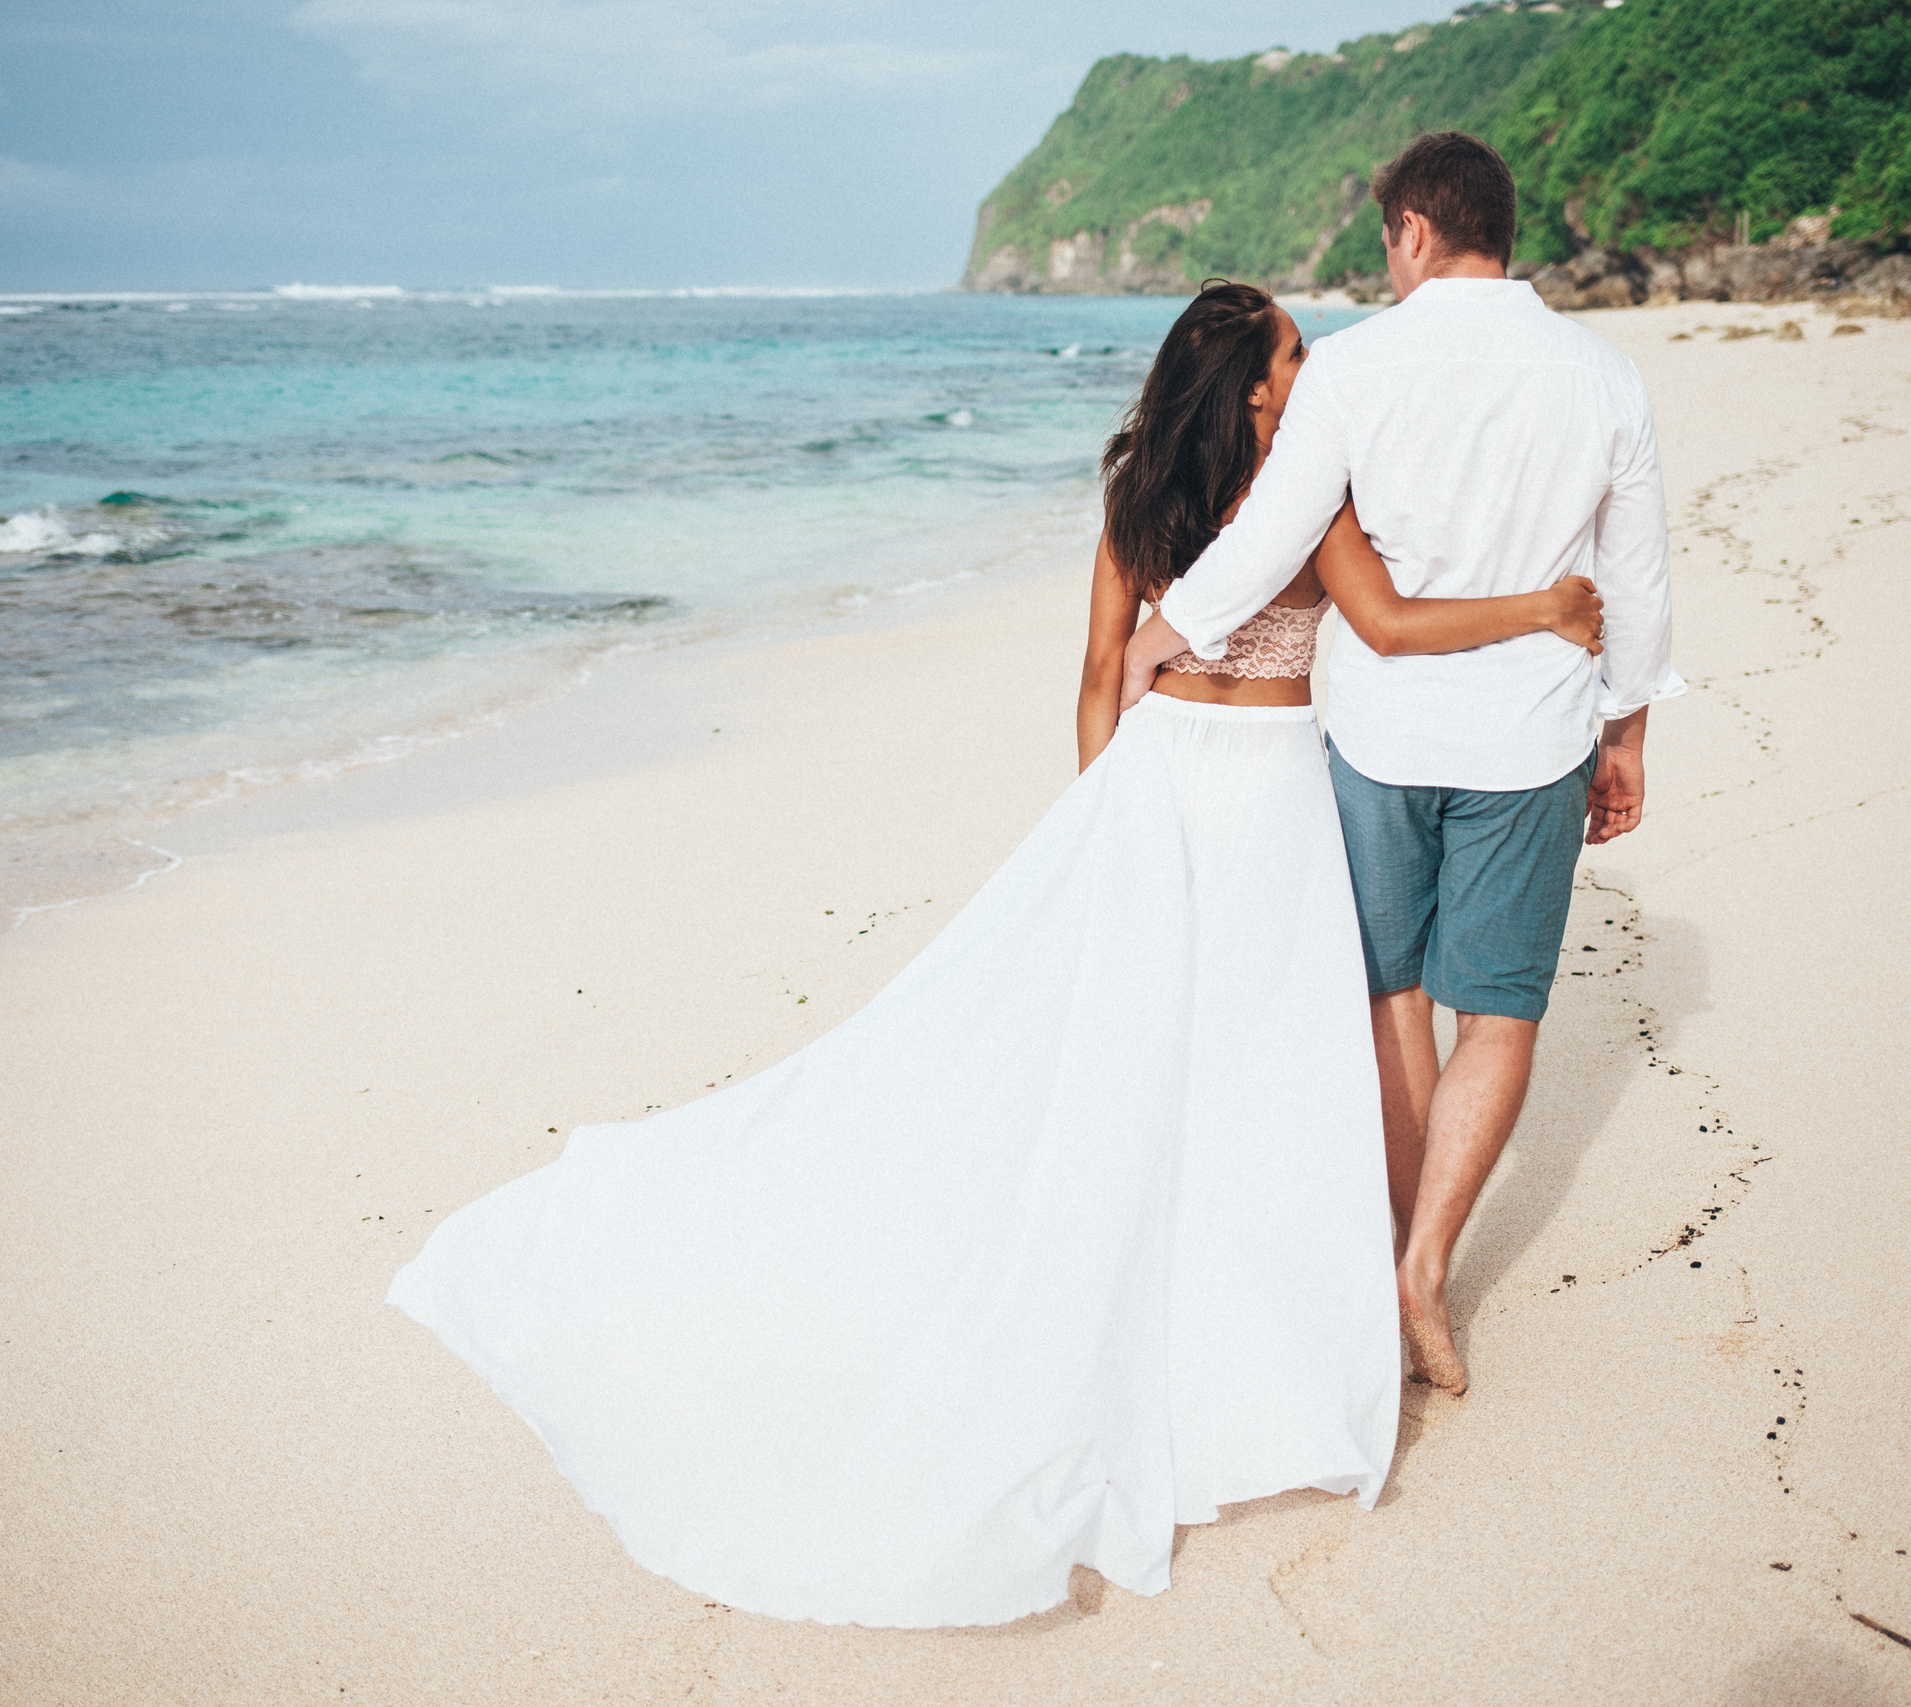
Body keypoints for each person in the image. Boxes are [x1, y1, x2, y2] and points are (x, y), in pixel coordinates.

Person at [387, 281, 1603, 1629]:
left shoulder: (1138, 503)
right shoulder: (1312, 503)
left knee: (1159, 1064)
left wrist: (1105, 811)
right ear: (1256, 391)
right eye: (1293, 353)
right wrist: (1546, 606)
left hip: (1158, 782)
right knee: (1264, 1069)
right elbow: (1382, 625)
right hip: (1268, 794)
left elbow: (1100, 673)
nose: (1309, 369)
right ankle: (1310, 1322)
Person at [1123, 132, 1685, 1397]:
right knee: (1501, 1007)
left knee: (1392, 993)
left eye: (1387, 242)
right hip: (1530, 737)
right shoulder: (1603, 376)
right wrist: (1627, 731)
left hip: (1380, 740)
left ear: (1415, 231)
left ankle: (1382, 1241)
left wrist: (1172, 627)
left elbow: (1275, 528)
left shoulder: (1359, 368)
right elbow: (1635, 576)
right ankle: (1423, 1267)